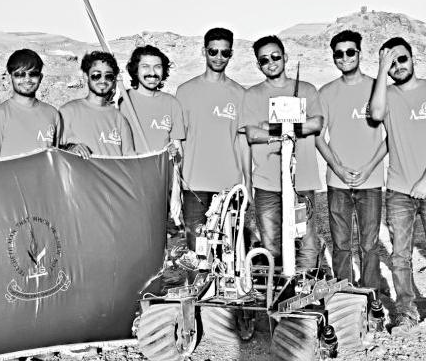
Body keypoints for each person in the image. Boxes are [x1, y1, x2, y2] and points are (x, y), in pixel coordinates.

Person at [369, 37, 426, 337]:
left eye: (401, 59)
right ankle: (406, 313)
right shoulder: (387, 94)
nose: (398, 66)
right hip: (398, 191)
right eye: (391, 63)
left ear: (413, 58)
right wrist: (382, 69)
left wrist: (425, 179)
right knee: (399, 256)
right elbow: (376, 115)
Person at [241, 35, 324, 271]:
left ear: (285, 57)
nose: (271, 62)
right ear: (258, 65)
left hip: (302, 182)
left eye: (275, 56)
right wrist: (294, 127)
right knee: (272, 245)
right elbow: (252, 134)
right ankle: (278, 287)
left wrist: (272, 126)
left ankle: (305, 285)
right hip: (267, 184)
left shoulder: (307, 89)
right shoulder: (252, 94)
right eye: (264, 60)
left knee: (306, 242)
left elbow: (316, 124)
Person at [316, 30, 387, 296]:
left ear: (359, 53)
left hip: (371, 181)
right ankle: (343, 296)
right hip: (338, 182)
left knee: (369, 245)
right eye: (339, 54)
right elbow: (318, 136)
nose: (344, 58)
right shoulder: (326, 93)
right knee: (341, 245)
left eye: (350, 52)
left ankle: (371, 297)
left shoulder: (377, 88)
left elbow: (393, 135)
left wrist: (369, 168)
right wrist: (338, 168)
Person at [175, 28, 248, 250]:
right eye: (213, 51)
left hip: (229, 186)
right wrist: (178, 183)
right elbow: (179, 141)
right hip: (194, 185)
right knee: (197, 252)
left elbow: (243, 142)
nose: (218, 57)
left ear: (231, 54)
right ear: (204, 51)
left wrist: (248, 183)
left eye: (225, 52)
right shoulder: (185, 91)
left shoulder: (240, 93)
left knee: (229, 252)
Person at [0, 49, 61, 159]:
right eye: (19, 74)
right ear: (10, 77)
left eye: (33, 74)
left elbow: (56, 158)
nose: (27, 79)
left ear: (40, 77)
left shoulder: (52, 113)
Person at [59, 51, 135, 158]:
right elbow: (52, 150)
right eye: (96, 75)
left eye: (108, 76)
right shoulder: (67, 112)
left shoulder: (120, 119)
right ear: (86, 77)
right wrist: (70, 148)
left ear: (114, 80)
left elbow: (130, 160)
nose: (103, 80)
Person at [120, 45, 185, 155]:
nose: (152, 72)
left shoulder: (172, 103)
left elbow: (177, 148)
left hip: (162, 165)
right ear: (136, 70)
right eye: (145, 66)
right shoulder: (123, 102)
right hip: (132, 165)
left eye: (157, 67)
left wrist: (174, 154)